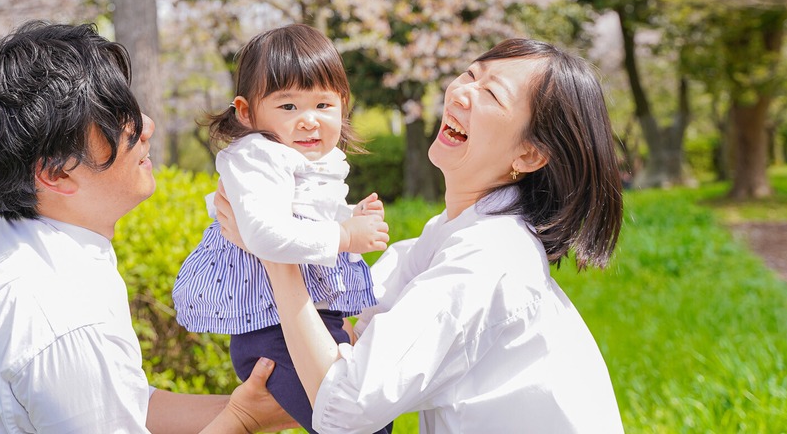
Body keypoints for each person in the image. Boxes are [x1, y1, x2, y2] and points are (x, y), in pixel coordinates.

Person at [0, 21, 293, 434]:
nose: (147, 125)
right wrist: (244, 419)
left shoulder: (11, 237)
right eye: (117, 120)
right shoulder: (58, 312)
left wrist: (269, 405)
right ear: (57, 173)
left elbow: (122, 405)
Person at [217, 38, 626, 434]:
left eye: (493, 95)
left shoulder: (489, 256)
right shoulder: (448, 234)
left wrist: (274, 251)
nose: (463, 93)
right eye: (471, 73)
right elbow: (353, 338)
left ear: (529, 154)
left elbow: (346, 407)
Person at [172, 24, 392, 434]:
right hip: (271, 332)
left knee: (369, 414)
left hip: (306, 320)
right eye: (288, 107)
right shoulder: (257, 155)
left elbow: (301, 212)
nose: (309, 121)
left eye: (323, 105)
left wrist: (346, 215)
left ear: (343, 105)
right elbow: (263, 235)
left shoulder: (307, 159)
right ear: (246, 111)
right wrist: (344, 237)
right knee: (356, 423)